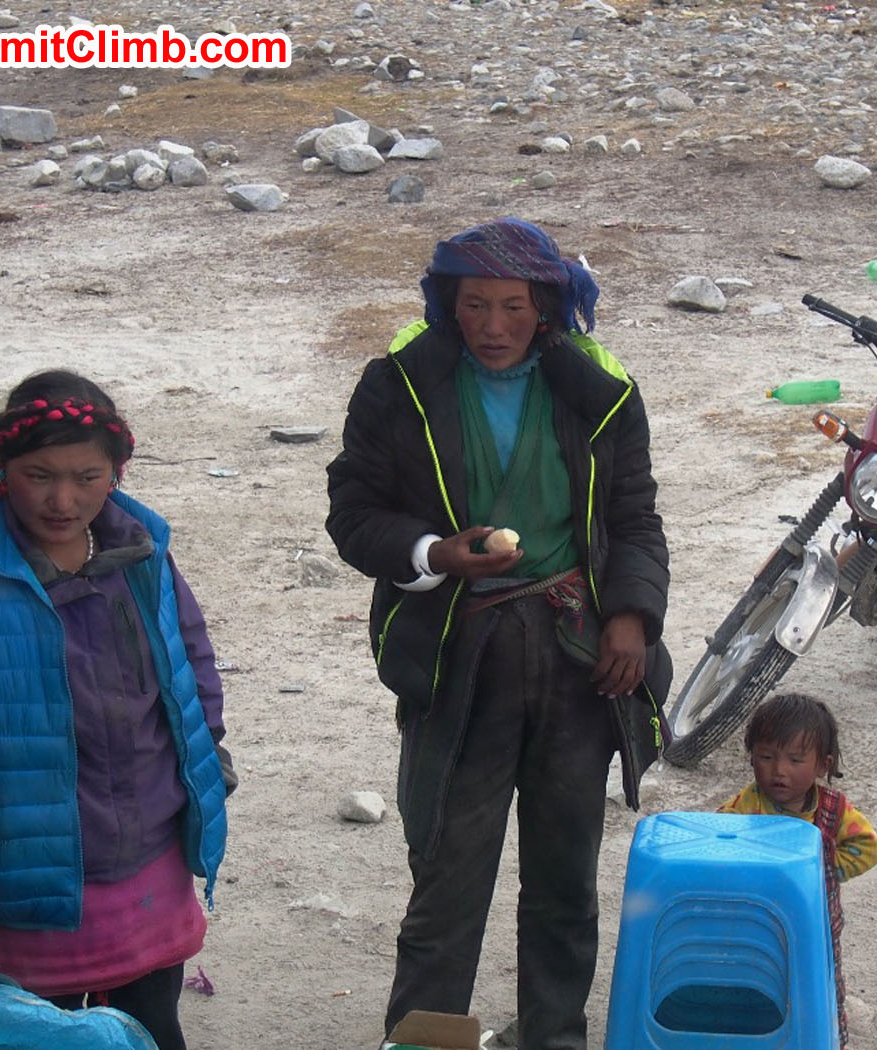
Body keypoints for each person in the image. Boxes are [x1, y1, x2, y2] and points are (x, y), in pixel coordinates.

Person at [326, 217, 672, 1050]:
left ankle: (554, 1038)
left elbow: (634, 519)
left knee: (564, 882)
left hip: (576, 658)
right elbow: (353, 515)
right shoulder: (400, 386)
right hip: (460, 657)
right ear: (448, 304)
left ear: (546, 307)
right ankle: (425, 1042)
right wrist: (432, 552)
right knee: (448, 881)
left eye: (513, 306)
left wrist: (630, 616)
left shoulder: (598, 389)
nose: (492, 326)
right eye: (474, 304)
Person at [0, 370, 235, 1050]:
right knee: (33, 1036)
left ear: (116, 472)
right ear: (1, 468)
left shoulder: (144, 553)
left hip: (149, 851)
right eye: (39, 475)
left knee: (152, 1028)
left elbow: (190, 661)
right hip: (23, 866)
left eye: (87, 477)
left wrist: (207, 759)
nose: (64, 500)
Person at [717, 692, 877, 1045]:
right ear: (751, 759)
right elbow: (718, 844)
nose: (779, 771)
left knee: (818, 991)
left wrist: (825, 870)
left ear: (823, 764)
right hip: (757, 929)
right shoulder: (746, 806)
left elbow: (868, 847)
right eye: (766, 757)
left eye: (795, 759)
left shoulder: (834, 809)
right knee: (759, 991)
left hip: (816, 930)